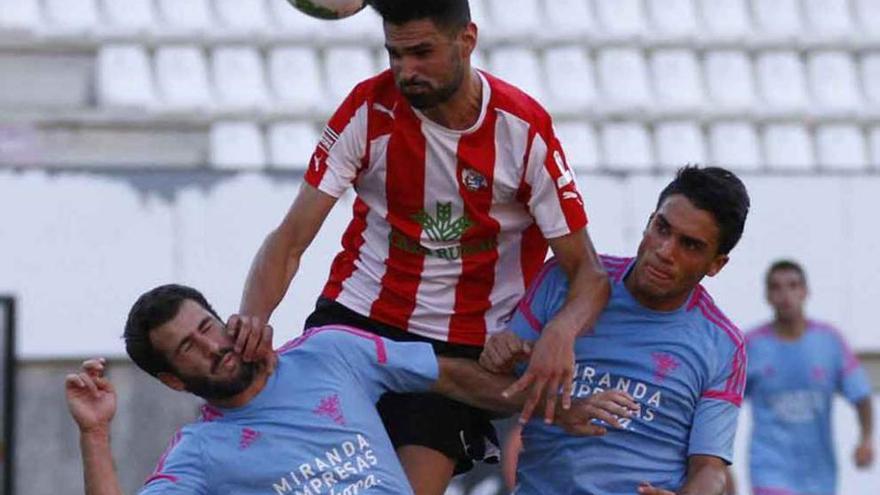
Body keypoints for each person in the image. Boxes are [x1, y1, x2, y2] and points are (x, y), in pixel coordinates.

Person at [237, 1, 609, 492]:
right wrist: (252, 320)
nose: (405, 71)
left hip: (462, 349)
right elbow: (289, 240)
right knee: (310, 480)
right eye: (394, 54)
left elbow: (589, 272)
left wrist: (560, 333)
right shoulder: (369, 109)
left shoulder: (522, 130)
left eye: (421, 53)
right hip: (357, 321)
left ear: (467, 40)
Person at [65, 284, 636, 495]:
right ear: (173, 379)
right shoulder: (198, 454)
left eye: (207, 326)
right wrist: (94, 433)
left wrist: (558, 409)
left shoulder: (329, 351)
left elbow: (455, 377)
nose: (212, 345)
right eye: (189, 347)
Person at [482, 166, 751, 495]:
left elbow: (710, 469)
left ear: (716, 264)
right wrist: (501, 358)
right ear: (649, 221)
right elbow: (495, 392)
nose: (665, 250)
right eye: (662, 228)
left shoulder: (723, 344)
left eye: (690, 245)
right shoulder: (565, 280)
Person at [740, 260, 874, 495]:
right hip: (769, 469)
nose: (785, 295)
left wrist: (866, 440)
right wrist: (716, 462)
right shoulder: (751, 345)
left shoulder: (829, 342)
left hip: (819, 476)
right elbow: (723, 405)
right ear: (767, 295)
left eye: (793, 286)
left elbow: (861, 396)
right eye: (776, 287)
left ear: (805, 291)